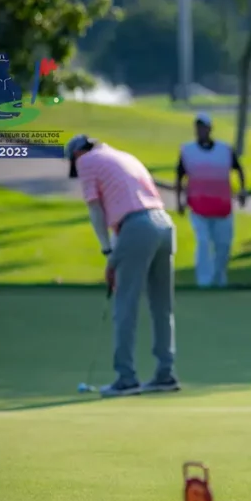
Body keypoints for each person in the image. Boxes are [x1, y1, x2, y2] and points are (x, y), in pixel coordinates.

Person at [66, 134, 181, 397]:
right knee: (162, 307)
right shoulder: (124, 156)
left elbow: (96, 210)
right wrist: (117, 256)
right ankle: (165, 374)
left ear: (76, 154)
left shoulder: (86, 161)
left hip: (137, 227)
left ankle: (126, 378)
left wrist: (108, 251)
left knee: (125, 306)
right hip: (164, 224)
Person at [175, 113, 247, 288]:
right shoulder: (188, 151)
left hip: (222, 207)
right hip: (198, 207)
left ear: (210, 129)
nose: (201, 130)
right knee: (203, 242)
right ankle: (204, 282)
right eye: (198, 127)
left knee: (223, 245)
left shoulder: (224, 150)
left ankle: (219, 279)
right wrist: (179, 202)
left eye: (204, 127)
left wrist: (242, 191)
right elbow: (179, 176)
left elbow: (238, 170)